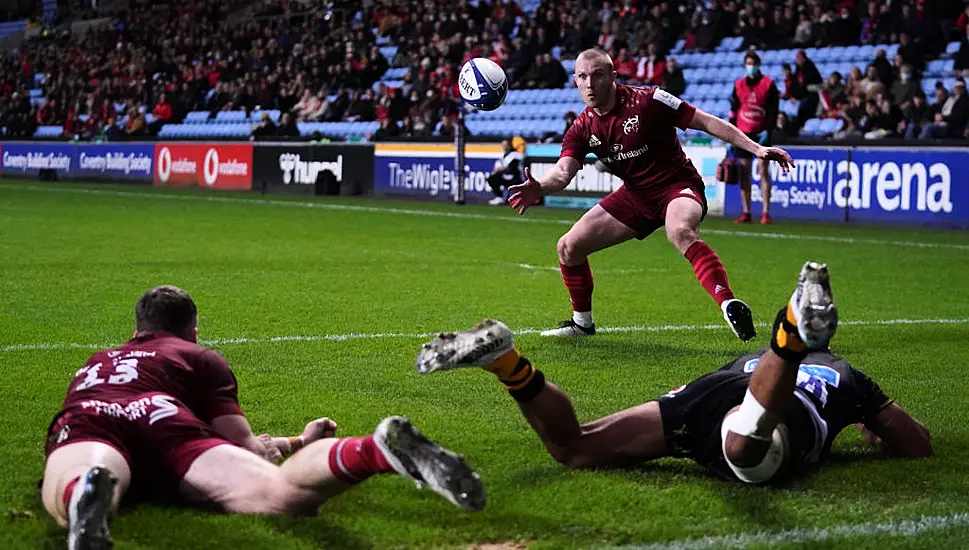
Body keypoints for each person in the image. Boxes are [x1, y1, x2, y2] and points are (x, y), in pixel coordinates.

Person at [43, 286, 484, 550]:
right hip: (165, 419)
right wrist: (298, 443)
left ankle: (86, 491)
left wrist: (292, 440)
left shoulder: (98, 360)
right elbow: (246, 446)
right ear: (192, 330)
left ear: (136, 329)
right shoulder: (198, 355)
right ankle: (373, 449)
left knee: (85, 471)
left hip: (92, 417)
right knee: (281, 492)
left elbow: (116, 411)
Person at [417, 262, 932, 485]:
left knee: (575, 449)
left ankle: (506, 362)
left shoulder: (758, 364)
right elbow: (919, 446)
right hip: (774, 405)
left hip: (712, 391)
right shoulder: (851, 379)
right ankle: (790, 333)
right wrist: (872, 424)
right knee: (744, 451)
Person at [507, 49, 794, 341]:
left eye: (597, 75)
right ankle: (582, 324)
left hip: (677, 185)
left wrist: (757, 149)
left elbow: (707, 122)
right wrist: (540, 187)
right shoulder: (582, 128)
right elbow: (563, 173)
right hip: (636, 196)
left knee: (679, 230)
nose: (590, 84)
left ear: (613, 77)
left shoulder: (649, 100)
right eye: (583, 77)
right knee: (568, 246)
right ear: (576, 81)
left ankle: (728, 302)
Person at [729, 52, 779, 225]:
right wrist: (731, 135)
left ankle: (766, 212)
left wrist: (768, 130)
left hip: (761, 133)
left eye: (753, 63)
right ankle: (746, 211)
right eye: (748, 63)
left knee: (763, 172)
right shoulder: (738, 85)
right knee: (744, 174)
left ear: (758, 64)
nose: (750, 66)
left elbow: (773, 110)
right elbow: (733, 111)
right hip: (743, 133)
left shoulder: (768, 84)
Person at [487, 137, 526, 206]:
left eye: (506, 145)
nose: (504, 147)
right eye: (503, 145)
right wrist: (496, 171)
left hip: (516, 179)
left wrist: (501, 170)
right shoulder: (502, 155)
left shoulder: (515, 155)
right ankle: (499, 197)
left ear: (510, 145)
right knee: (492, 177)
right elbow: (497, 167)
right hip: (506, 178)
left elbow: (512, 170)